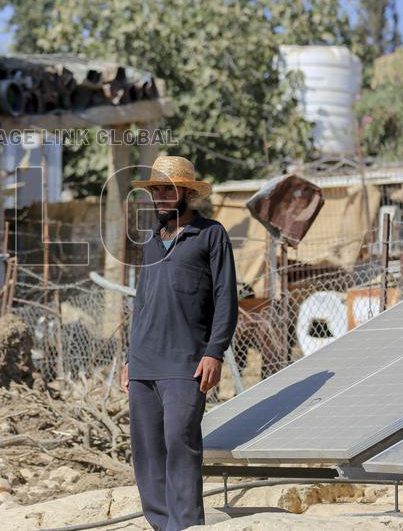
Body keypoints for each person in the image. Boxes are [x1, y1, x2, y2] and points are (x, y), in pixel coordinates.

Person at [119, 155, 238, 531]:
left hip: (185, 363)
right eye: (155, 190)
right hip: (143, 364)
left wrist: (214, 351)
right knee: (147, 452)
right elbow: (142, 304)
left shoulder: (211, 235)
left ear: (186, 192)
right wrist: (128, 358)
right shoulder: (152, 241)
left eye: (167, 190)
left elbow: (226, 299)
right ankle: (160, 524)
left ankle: (185, 525)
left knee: (179, 441)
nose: (159, 197)